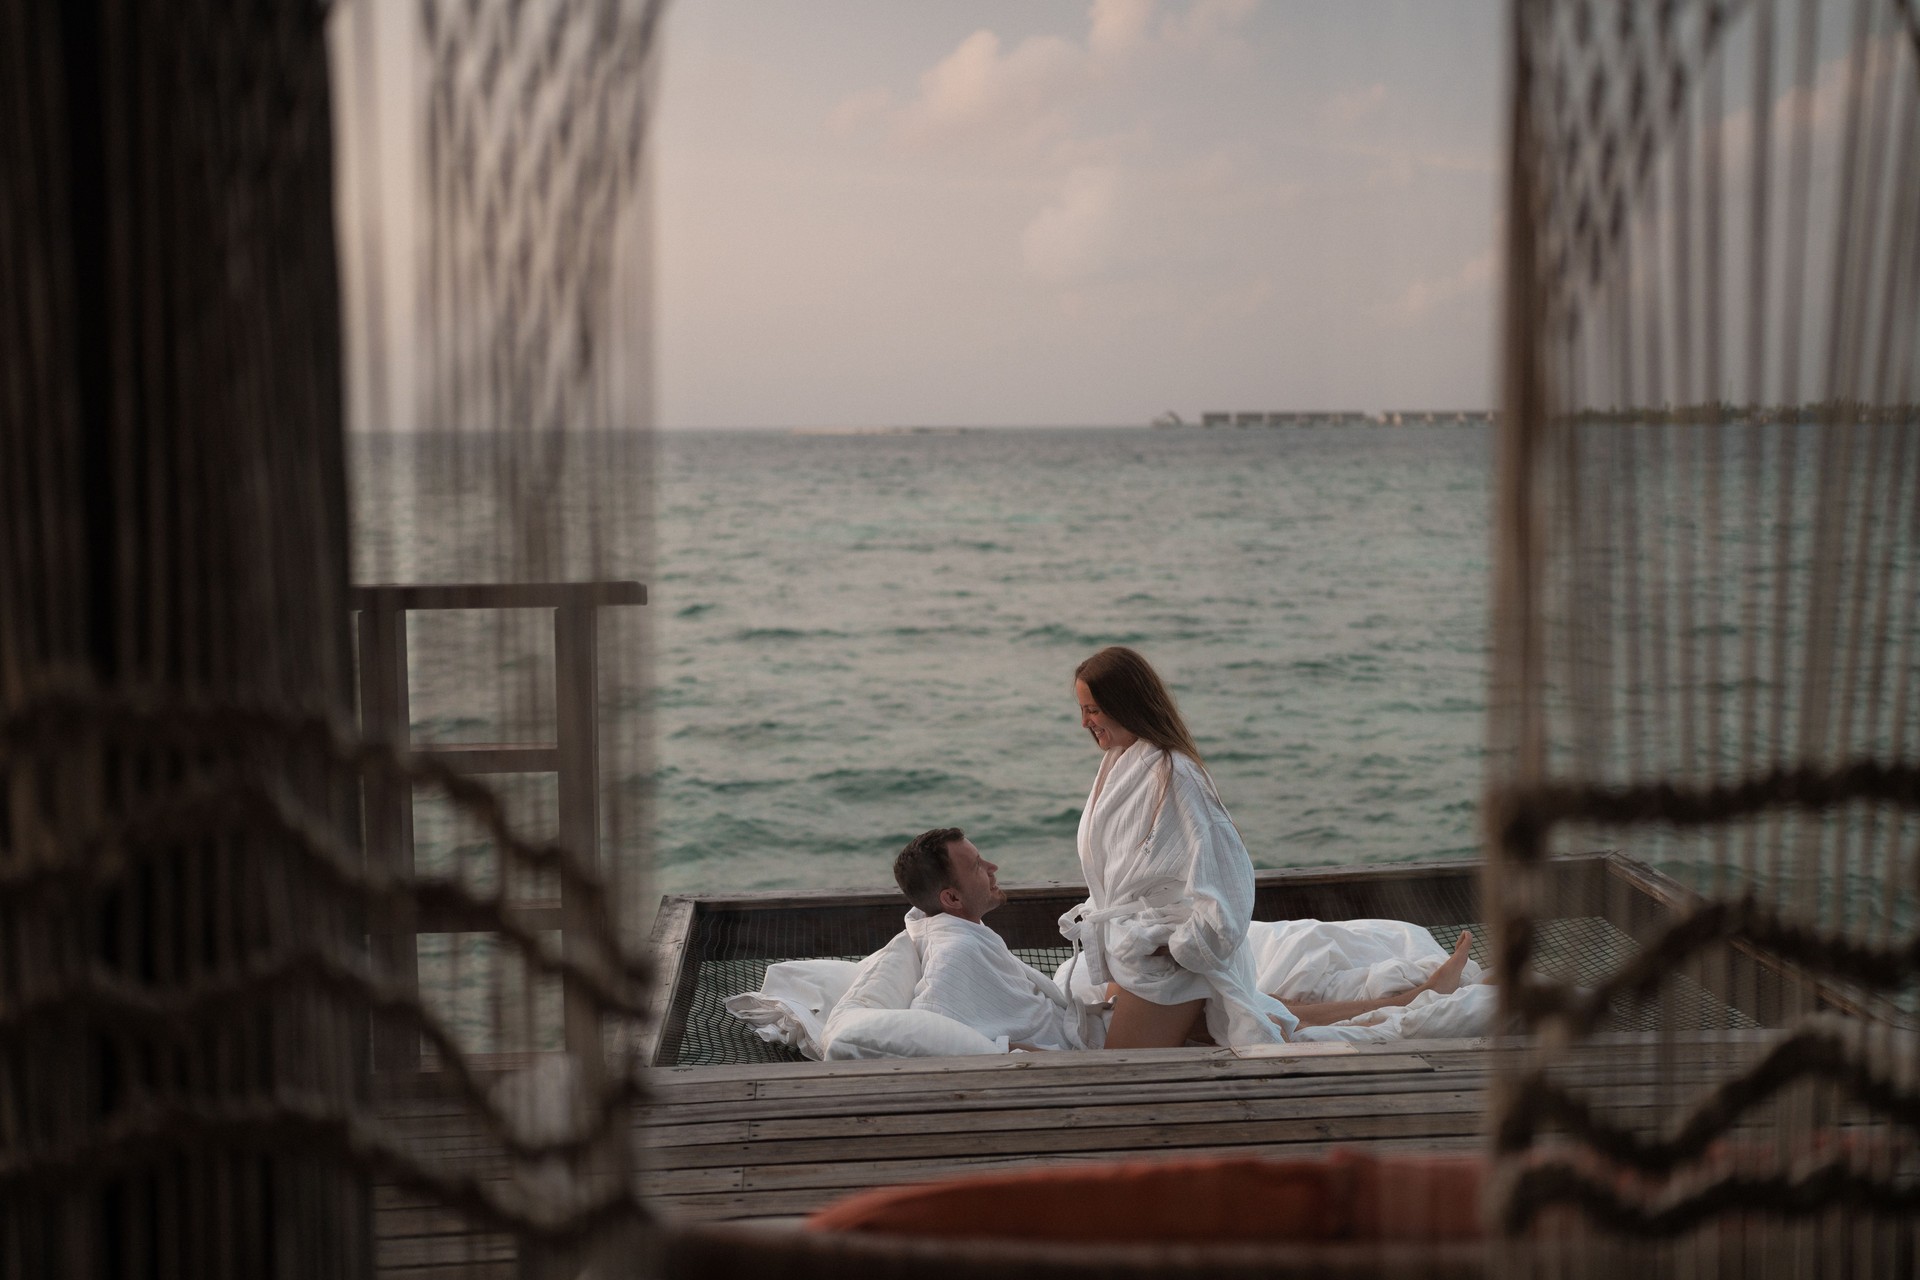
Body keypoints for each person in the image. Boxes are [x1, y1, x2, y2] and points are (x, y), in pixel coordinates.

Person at [1062, 646, 1478, 1049]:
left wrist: (1184, 947)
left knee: (1124, 1066)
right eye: (1082, 710)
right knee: (1265, 1017)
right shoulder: (1121, 762)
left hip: (1168, 963)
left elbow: (1229, 880)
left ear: (1125, 704)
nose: (1084, 723)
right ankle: (1413, 996)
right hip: (1138, 949)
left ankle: (1418, 999)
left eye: (1092, 710)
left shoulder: (1176, 775)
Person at [892, 827, 1100, 1052]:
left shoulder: (961, 929)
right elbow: (932, 1035)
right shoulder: (953, 954)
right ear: (952, 898)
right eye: (977, 866)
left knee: (1102, 961)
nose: (992, 868)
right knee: (1127, 964)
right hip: (1085, 1050)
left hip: (1074, 1026)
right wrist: (1045, 1056)